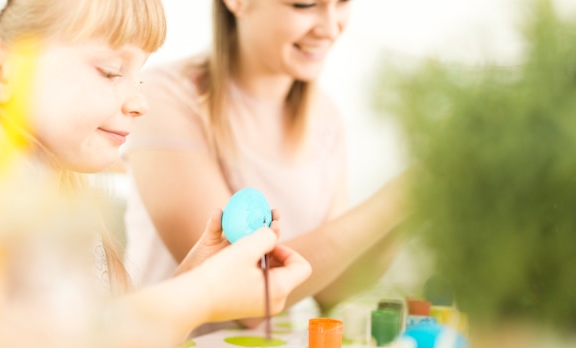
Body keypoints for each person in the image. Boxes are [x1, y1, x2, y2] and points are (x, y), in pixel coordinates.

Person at [0, 0, 311, 348]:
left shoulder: (53, 192)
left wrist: (194, 280)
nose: (141, 102)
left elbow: (102, 343)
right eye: (111, 72)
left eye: (139, 77)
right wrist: (203, 293)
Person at [123, 0, 412, 327]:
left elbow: (330, 289)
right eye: (305, 5)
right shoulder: (162, 98)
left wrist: (414, 208)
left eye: (342, 2)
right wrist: (399, 196)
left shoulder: (326, 120)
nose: (331, 28)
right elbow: (242, 292)